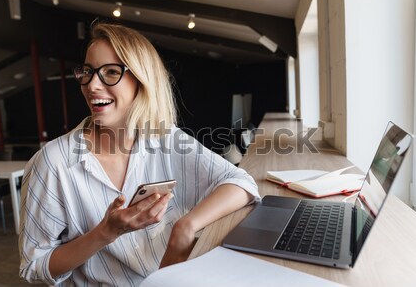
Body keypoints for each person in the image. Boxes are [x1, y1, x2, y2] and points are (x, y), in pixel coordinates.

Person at [19, 22, 260, 286]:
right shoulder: (52, 163)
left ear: (141, 80)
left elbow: (241, 183)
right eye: (87, 72)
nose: (91, 86)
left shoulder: (165, 138)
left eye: (110, 72)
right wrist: (106, 232)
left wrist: (185, 227)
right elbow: (35, 266)